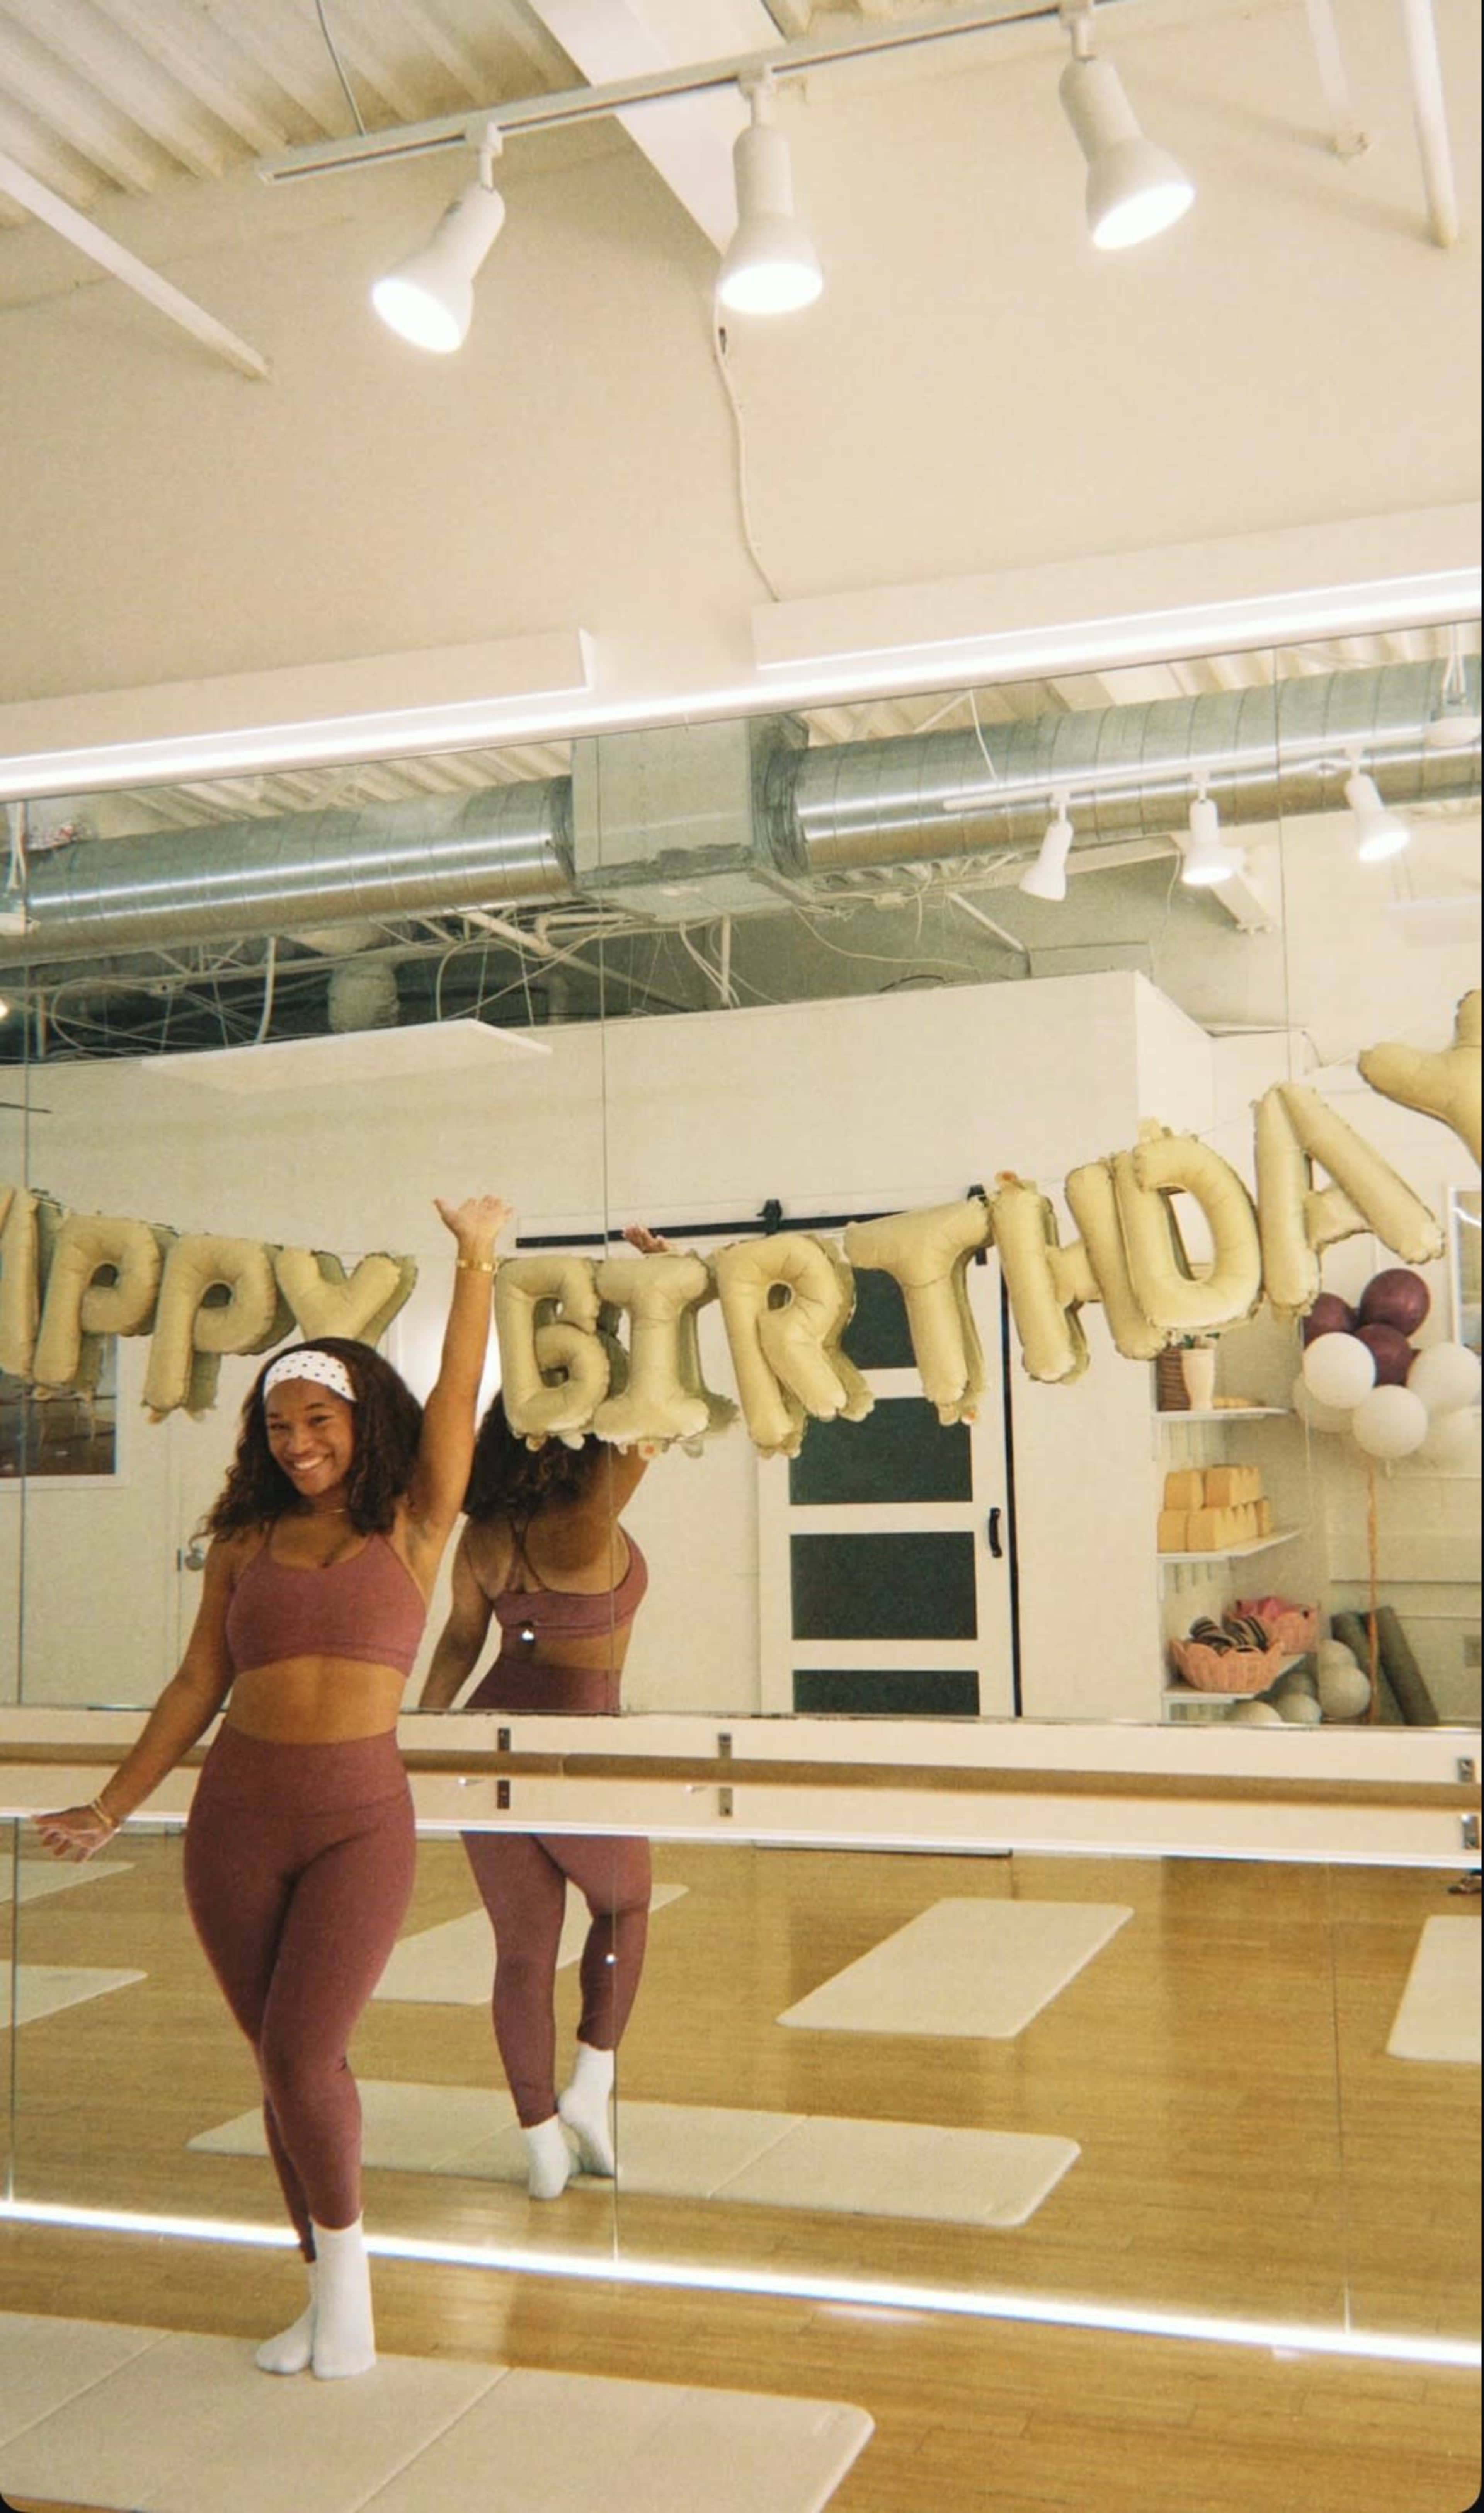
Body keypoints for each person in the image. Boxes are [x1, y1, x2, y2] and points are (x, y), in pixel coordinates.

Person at [35, 1192, 511, 2380]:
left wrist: (475, 1255)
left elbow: (457, 1394)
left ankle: (348, 2289)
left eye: (319, 1419)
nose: (298, 1441)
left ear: (361, 1422)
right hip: (234, 1821)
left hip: (360, 1820)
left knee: (306, 2054)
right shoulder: (245, 1542)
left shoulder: (411, 1523)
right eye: (279, 1423)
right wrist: (110, 1803)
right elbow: (197, 1681)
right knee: (281, 2066)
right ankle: (319, 2287)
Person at [418, 1225, 664, 2201]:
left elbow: (456, 1643)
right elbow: (653, 1395)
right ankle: (593, 2084)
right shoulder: (594, 1509)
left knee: (521, 1949)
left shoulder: (485, 1533)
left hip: (488, 1734)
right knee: (625, 1906)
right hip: (576, 1743)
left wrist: (424, 1737)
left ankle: (537, 2142)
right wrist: (650, 1284)